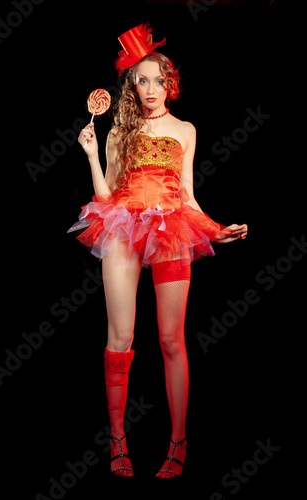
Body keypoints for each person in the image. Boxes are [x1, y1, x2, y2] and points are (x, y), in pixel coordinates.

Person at [68, 24, 248, 478]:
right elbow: (106, 198)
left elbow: (187, 194)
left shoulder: (185, 129)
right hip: (123, 230)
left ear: (171, 83)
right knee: (121, 339)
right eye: (141, 80)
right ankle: (117, 440)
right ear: (131, 84)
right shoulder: (118, 130)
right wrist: (91, 156)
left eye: (158, 80)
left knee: (172, 340)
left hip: (171, 230)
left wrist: (215, 229)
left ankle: (178, 441)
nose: (150, 89)